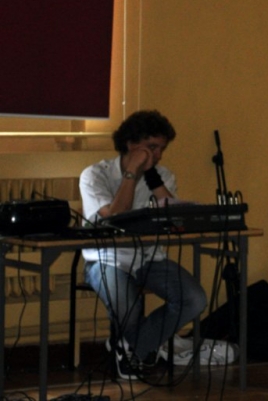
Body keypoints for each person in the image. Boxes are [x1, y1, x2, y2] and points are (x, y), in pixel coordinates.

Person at [80, 110, 207, 380]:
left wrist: (151, 178)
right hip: (106, 259)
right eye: (151, 147)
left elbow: (171, 215)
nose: (157, 155)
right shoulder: (95, 175)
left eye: (161, 149)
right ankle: (140, 348)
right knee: (129, 304)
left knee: (194, 299)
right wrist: (131, 173)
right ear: (130, 144)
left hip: (149, 258)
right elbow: (115, 216)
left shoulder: (162, 176)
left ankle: (130, 347)